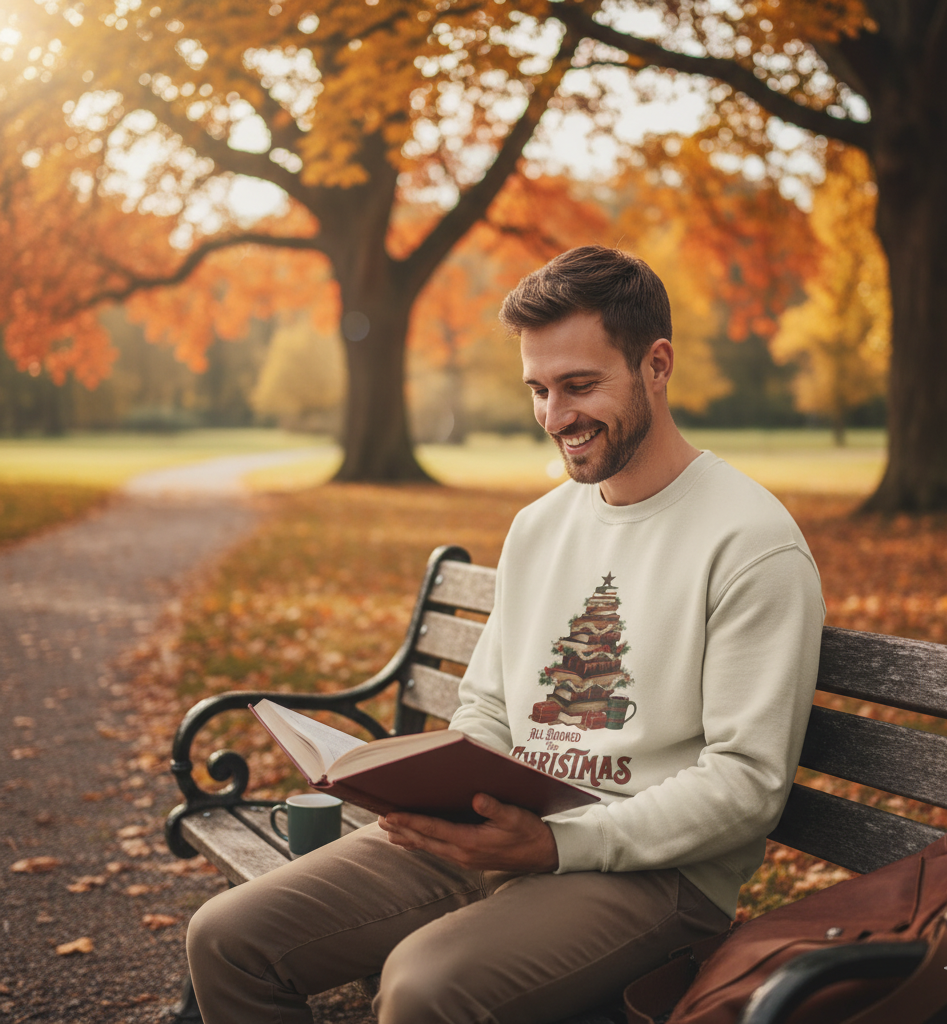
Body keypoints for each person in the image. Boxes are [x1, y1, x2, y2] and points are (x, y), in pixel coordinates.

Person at [186, 245, 825, 1024]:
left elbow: (746, 784)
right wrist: (441, 793)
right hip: (498, 830)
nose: (554, 418)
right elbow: (487, 707)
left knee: (423, 987)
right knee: (228, 937)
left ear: (656, 365)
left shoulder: (750, 541)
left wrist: (556, 846)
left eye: (579, 386)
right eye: (539, 390)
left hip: (657, 877)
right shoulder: (538, 527)